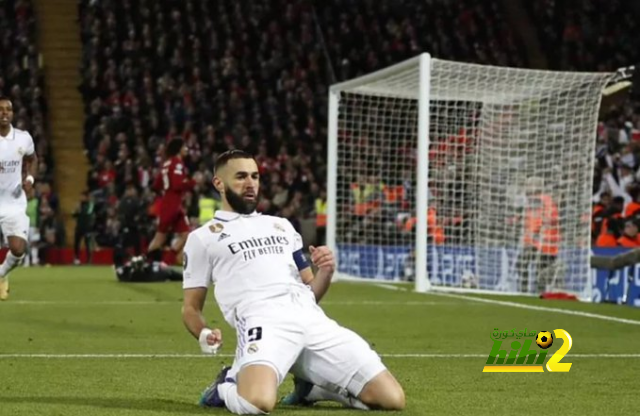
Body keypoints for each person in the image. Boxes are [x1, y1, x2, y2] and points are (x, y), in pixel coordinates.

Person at [182, 150, 405, 414]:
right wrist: (204, 333)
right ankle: (225, 385)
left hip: (311, 320)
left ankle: (314, 388)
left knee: (392, 400)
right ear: (219, 183)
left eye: (255, 176)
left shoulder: (282, 226)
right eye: (241, 177)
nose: (251, 183)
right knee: (256, 404)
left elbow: (310, 292)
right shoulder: (202, 238)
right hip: (263, 322)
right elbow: (190, 308)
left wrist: (325, 272)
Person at [0, 96, 38, 300]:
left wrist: (30, 179)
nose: (5, 113)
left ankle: (1, 274)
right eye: (1, 109)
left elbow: (33, 159)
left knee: (18, 249)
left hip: (14, 203)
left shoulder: (23, 138)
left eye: (8, 109)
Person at [147, 138, 195, 269]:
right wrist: (193, 182)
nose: (186, 149)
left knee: (186, 234)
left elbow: (156, 185)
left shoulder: (166, 164)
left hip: (170, 203)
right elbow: (177, 184)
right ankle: (147, 264)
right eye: (184, 147)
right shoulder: (177, 163)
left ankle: (164, 263)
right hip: (173, 204)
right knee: (160, 238)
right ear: (179, 148)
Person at [515, 177, 561, 293]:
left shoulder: (546, 200)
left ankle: (538, 293)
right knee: (522, 265)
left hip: (545, 242)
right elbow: (527, 220)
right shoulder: (530, 201)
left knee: (539, 270)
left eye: (529, 185)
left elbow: (552, 218)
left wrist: (540, 232)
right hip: (533, 241)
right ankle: (524, 292)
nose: (526, 187)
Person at [72, 190, 95, 264]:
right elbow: (74, 216)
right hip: (79, 227)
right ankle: (77, 258)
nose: (81, 198)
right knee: (76, 243)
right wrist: (76, 211)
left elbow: (88, 213)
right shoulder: (80, 205)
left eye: (82, 196)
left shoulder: (90, 204)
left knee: (87, 243)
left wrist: (80, 210)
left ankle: (89, 260)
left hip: (87, 227)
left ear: (86, 197)